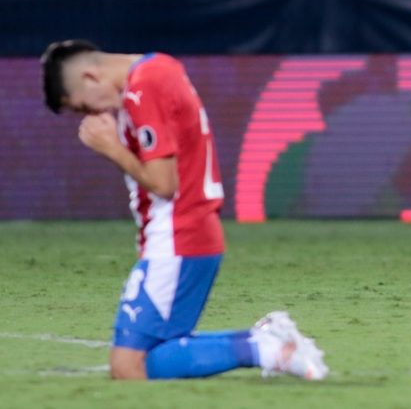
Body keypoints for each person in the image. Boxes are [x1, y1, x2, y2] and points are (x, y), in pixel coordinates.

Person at [41, 40, 329, 380]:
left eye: (82, 106)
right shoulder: (160, 66)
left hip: (177, 237)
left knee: (128, 366)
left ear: (90, 76)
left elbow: (164, 184)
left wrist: (110, 148)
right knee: (141, 360)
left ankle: (266, 348)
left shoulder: (142, 89)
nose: (90, 115)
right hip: (187, 233)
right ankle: (264, 341)